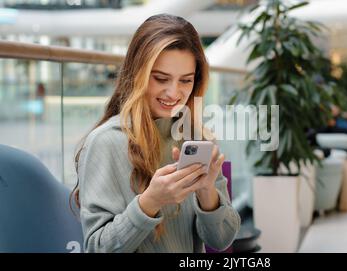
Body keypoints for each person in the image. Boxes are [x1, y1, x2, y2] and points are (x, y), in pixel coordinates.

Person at [71, 14, 240, 253]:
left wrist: (206, 191)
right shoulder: (105, 142)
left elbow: (222, 240)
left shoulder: (195, 138)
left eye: (186, 80)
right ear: (138, 74)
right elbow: (96, 248)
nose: (174, 93)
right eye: (161, 78)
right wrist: (151, 201)